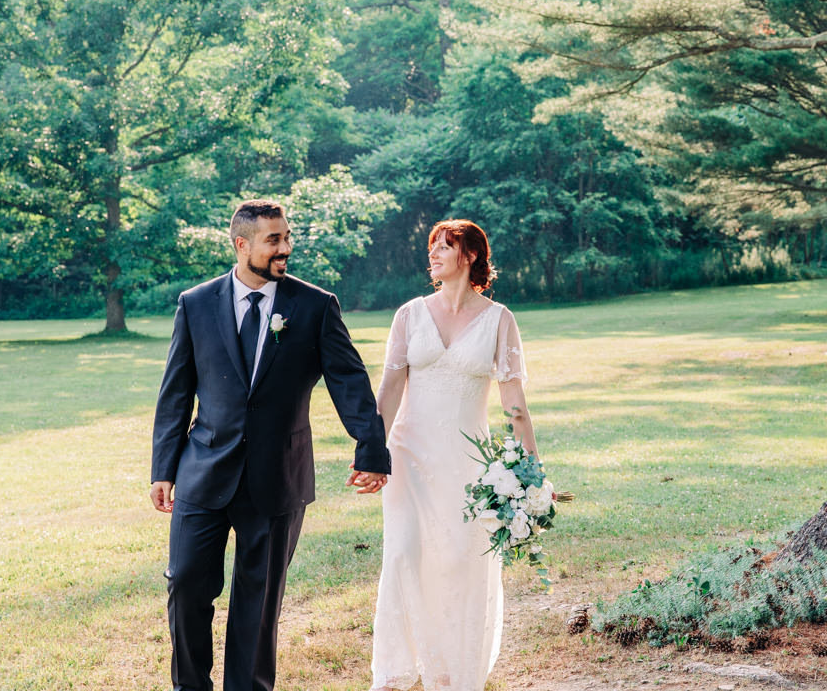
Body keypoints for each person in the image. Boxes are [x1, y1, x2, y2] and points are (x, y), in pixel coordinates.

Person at [150, 199, 391, 691]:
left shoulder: (315, 305)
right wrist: (163, 469)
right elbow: (176, 391)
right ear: (242, 245)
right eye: (273, 240)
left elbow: (349, 381)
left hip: (278, 474)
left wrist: (371, 449)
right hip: (203, 470)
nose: (286, 248)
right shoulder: (196, 303)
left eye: (287, 237)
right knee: (186, 583)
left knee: (258, 603)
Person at [369, 219, 538, 691]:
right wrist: (371, 452)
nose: (434, 254)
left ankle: (449, 671)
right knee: (403, 553)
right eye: (433, 247)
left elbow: (514, 403)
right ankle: (394, 672)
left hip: (467, 464)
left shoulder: (499, 319)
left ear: (470, 255)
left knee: (460, 561)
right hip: (408, 455)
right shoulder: (409, 315)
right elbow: (389, 391)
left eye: (445, 246)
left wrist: (530, 471)